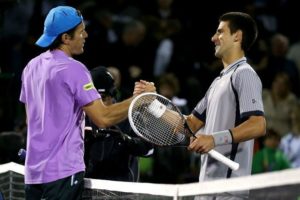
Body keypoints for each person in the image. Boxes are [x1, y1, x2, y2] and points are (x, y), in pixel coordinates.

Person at [19, 6, 155, 200]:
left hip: (33, 173)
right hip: (63, 173)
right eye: (81, 31)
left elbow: (30, 118)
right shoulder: (75, 69)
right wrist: (140, 100)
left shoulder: (30, 67)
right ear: (66, 38)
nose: (86, 35)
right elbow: (103, 118)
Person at [185, 12, 266, 199]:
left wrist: (213, 139)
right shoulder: (217, 82)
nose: (213, 38)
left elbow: (258, 125)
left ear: (237, 36)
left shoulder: (244, 74)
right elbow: (189, 125)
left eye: (220, 32)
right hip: (206, 189)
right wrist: (152, 103)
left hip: (228, 191)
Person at [84, 66, 154, 181]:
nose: (99, 105)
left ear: (113, 94)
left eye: (103, 98)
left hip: (121, 190)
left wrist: (125, 140)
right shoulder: (81, 117)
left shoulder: (131, 116)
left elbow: (148, 150)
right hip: (87, 187)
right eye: (94, 99)